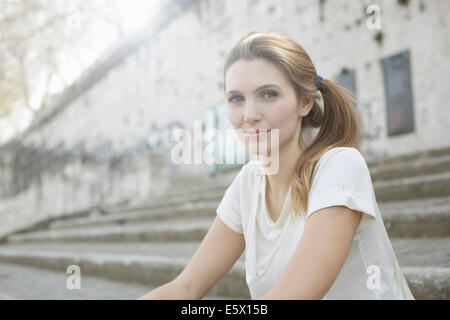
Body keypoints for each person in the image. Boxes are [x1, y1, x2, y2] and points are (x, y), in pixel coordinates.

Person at [138, 31, 415, 300]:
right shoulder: (247, 184)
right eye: (236, 98)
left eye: (268, 94)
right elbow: (185, 288)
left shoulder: (340, 166)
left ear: (304, 102)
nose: (249, 115)